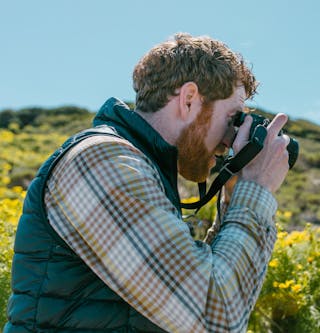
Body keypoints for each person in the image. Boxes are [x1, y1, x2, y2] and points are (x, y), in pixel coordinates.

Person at [5, 33, 290, 332]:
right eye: (233, 117)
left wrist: (236, 193)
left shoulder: (141, 170)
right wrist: (255, 189)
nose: (231, 139)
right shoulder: (103, 161)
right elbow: (215, 317)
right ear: (189, 99)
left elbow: (199, 285)